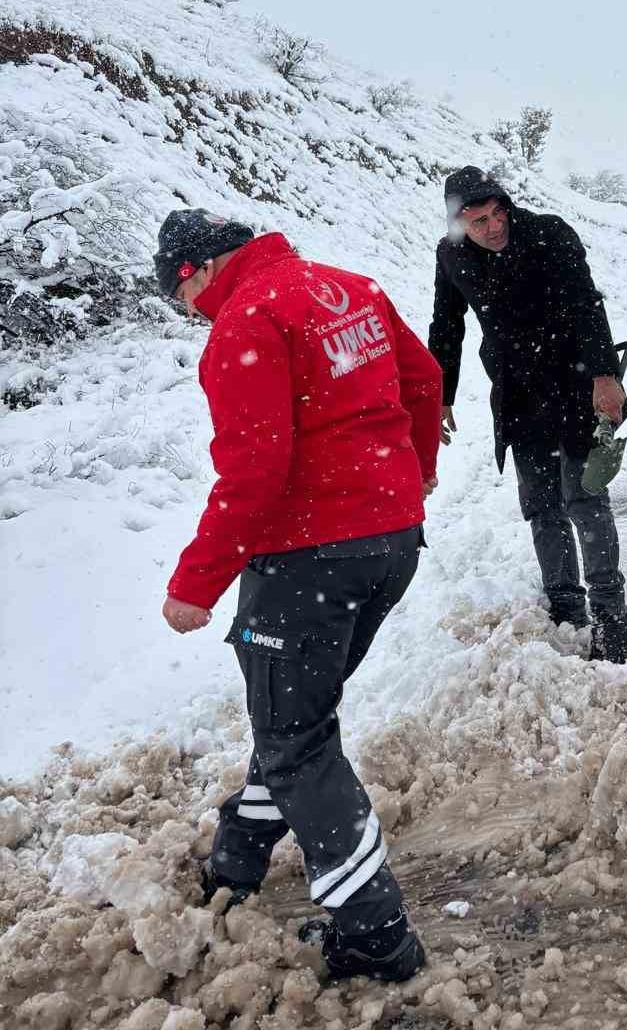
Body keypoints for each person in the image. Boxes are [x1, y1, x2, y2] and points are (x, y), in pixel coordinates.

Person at [154, 209, 441, 982]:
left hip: (310, 557)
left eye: (182, 298)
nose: (189, 314)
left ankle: (375, 933)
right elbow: (424, 380)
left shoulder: (246, 319)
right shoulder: (347, 288)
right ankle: (236, 861)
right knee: (294, 715)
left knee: (296, 741)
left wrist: (194, 585)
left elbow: (256, 468)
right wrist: (412, 476)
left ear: (197, 271)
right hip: (390, 541)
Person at [427, 167, 627, 663]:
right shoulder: (451, 255)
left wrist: (606, 378)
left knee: (585, 495)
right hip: (517, 395)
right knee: (541, 505)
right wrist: (439, 394)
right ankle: (567, 607)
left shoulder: (549, 233)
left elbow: (588, 306)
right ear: (460, 224)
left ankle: (611, 615)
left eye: (495, 215)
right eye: (477, 223)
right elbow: (447, 324)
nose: (492, 229)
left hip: (575, 384)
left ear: (505, 205)